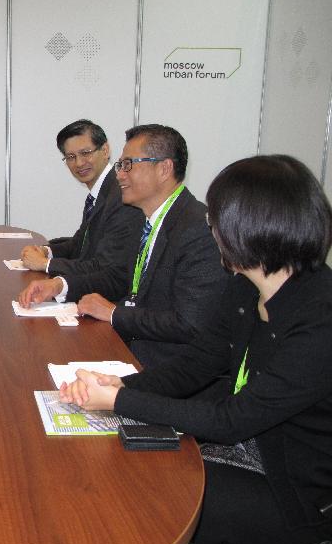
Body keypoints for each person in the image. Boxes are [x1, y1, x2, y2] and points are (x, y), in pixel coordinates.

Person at [61, 155, 332, 544]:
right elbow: (200, 362)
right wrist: (122, 386)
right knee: (122, 463)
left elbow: (232, 420)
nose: (210, 227)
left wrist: (119, 403)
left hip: (293, 488)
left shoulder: (320, 319)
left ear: (251, 226)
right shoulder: (246, 286)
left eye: (217, 217)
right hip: (248, 444)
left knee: (150, 491)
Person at [20, 124, 227, 369]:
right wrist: (59, 285)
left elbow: (190, 324)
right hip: (131, 342)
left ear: (164, 168)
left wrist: (114, 314)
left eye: (128, 165)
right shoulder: (150, 219)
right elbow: (119, 276)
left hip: (165, 365)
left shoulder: (197, 230)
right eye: (120, 166)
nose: (119, 175)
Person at [18, 119, 144, 302]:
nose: (79, 163)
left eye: (86, 153)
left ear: (105, 150)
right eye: (70, 157)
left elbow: (104, 266)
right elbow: (81, 242)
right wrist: (46, 251)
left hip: (111, 301)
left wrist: (47, 264)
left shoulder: (121, 196)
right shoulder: (101, 191)